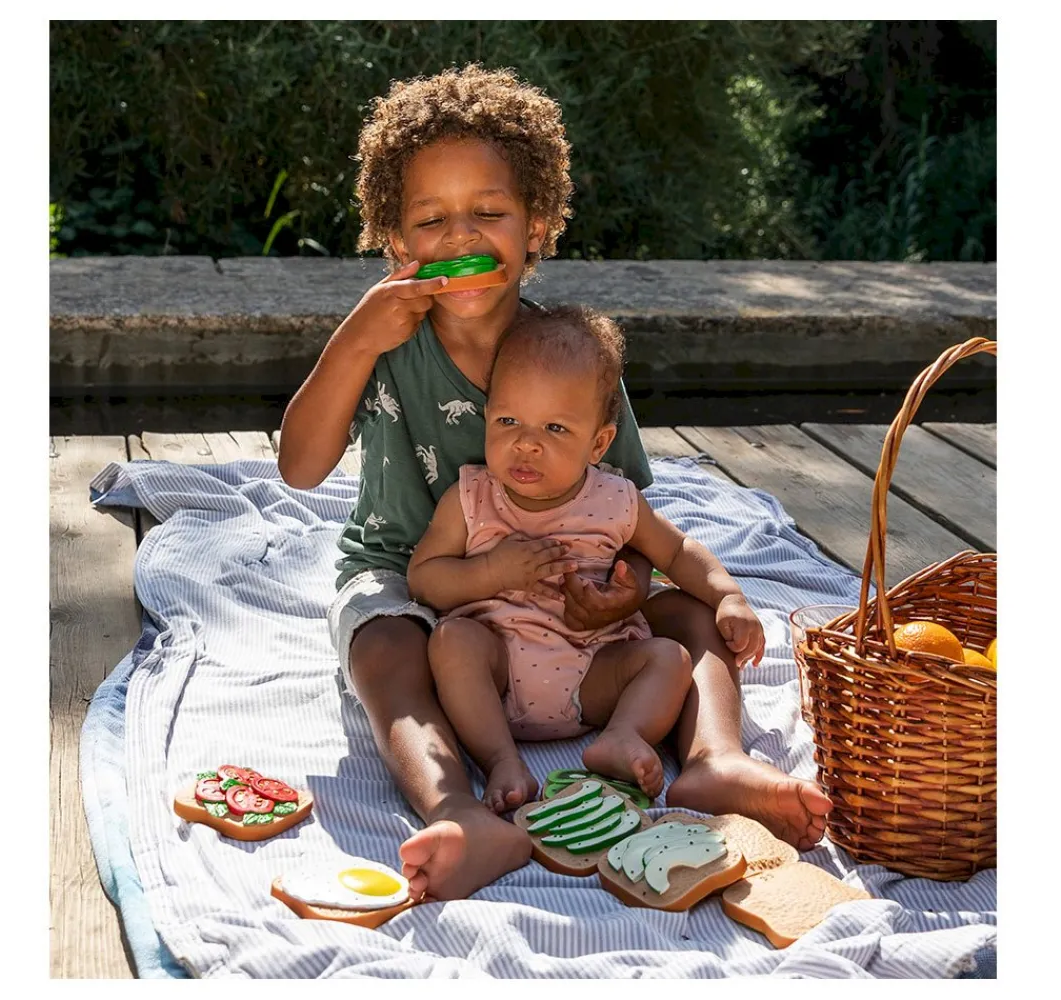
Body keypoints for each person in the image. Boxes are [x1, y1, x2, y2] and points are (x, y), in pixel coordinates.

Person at [277, 64, 832, 903]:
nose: (461, 237)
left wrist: (622, 589)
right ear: (395, 239)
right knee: (384, 646)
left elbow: (631, 522)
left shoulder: (576, 362)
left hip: (567, 594)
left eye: (488, 213)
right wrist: (355, 338)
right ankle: (460, 811)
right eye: (431, 219)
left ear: (535, 223)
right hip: (416, 583)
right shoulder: (385, 347)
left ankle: (716, 758)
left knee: (687, 614)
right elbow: (298, 466)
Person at [407, 306, 767, 813]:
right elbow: (424, 579)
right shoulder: (470, 497)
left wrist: (727, 595)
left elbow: (676, 551)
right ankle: (501, 760)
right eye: (508, 420)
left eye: (555, 428)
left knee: (669, 659)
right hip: (496, 672)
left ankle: (622, 735)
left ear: (598, 443)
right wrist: (489, 572)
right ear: (486, 416)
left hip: (593, 671)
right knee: (451, 641)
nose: (526, 443)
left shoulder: (615, 500)